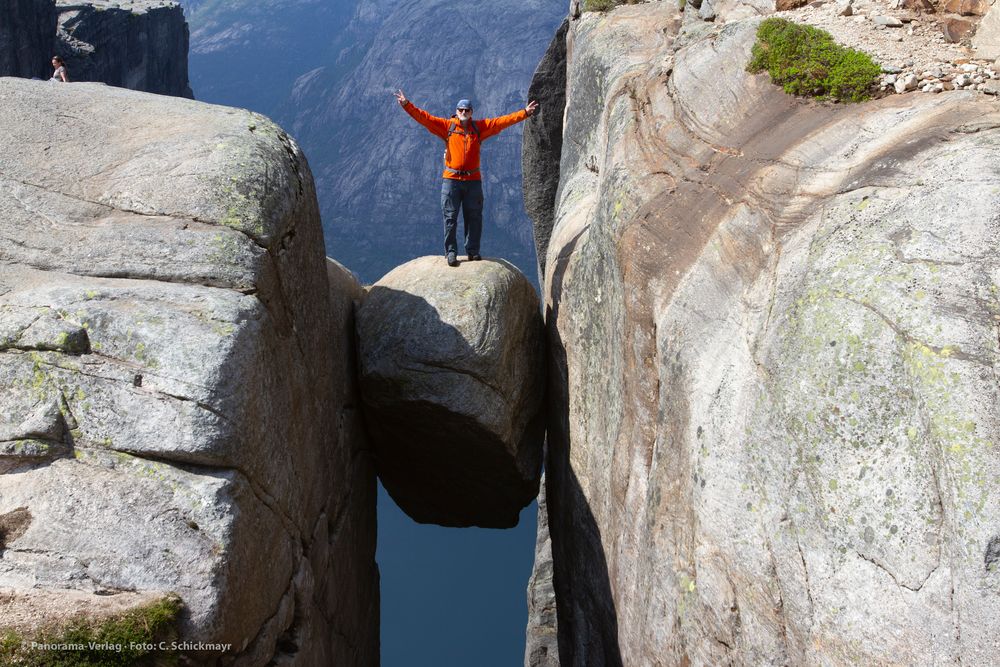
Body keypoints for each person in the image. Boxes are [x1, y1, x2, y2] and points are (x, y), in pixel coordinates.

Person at [395, 90, 538, 267]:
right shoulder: (447, 127)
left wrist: (524, 113)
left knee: (474, 217)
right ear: (456, 111)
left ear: (471, 112)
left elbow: (501, 122)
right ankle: (451, 253)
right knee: (450, 217)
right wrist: (406, 105)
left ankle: (472, 251)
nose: (463, 113)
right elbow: (424, 118)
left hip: (473, 181)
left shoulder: (479, 128)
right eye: (461, 110)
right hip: (451, 181)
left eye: (467, 110)